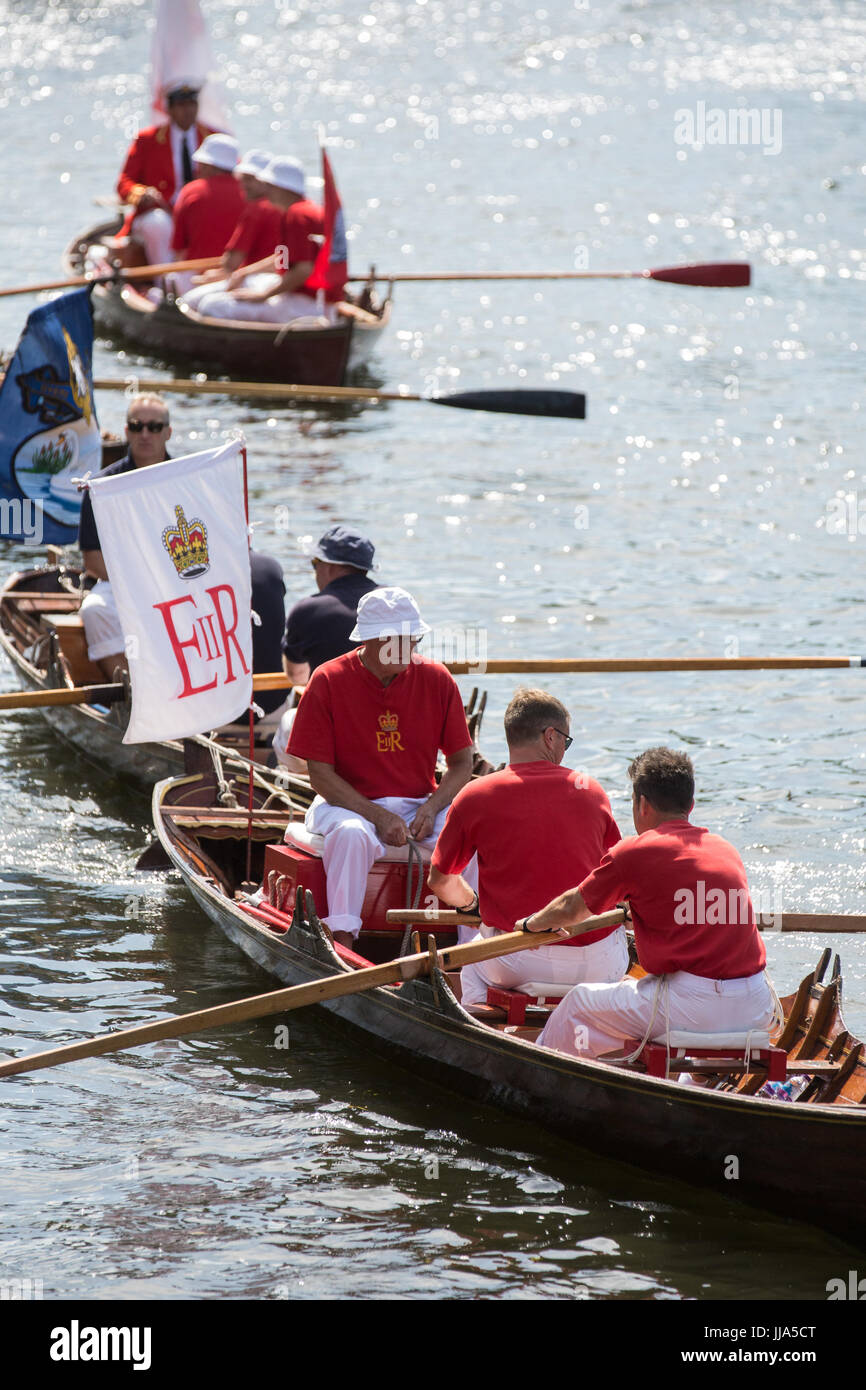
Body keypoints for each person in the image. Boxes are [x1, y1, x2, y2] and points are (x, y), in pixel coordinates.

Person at [525, 747, 775, 1058]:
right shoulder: (725, 850)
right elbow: (693, 913)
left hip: (691, 1006)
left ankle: (544, 1075)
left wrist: (530, 924)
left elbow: (572, 909)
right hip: (756, 1006)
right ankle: (690, 1084)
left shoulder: (634, 851)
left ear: (642, 804)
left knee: (577, 1003)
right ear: (691, 806)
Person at [286, 587, 474, 947]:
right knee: (352, 833)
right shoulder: (327, 680)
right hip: (345, 805)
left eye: (412, 639)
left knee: (472, 836)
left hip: (420, 804)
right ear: (370, 640)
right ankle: (342, 940)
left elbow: (462, 763)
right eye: (397, 640)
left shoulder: (438, 679)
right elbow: (320, 775)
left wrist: (433, 808)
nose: (408, 648)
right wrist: (377, 815)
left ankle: (473, 944)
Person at [428, 688, 627, 1008]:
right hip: (597, 963)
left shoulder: (474, 794)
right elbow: (619, 879)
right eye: (565, 740)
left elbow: (440, 881)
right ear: (550, 736)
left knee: (472, 964)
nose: (565, 748)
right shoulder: (592, 790)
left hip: (515, 959)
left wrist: (470, 905)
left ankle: (483, 1024)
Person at [78, 394, 172, 679]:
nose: (146, 434)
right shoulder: (100, 487)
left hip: (174, 583)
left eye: (154, 427)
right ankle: (135, 691)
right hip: (119, 585)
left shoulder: (187, 480)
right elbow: (92, 560)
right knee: (93, 610)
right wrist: (139, 582)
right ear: (127, 431)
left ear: (167, 432)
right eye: (137, 426)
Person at [185, 156, 343, 323]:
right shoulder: (309, 210)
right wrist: (245, 273)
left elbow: (303, 270)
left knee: (211, 306)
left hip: (303, 304)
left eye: (270, 185)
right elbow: (284, 259)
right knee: (229, 294)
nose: (266, 191)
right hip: (316, 301)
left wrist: (263, 295)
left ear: (283, 188)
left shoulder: (296, 216)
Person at [272, 526, 379, 769]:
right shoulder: (394, 604)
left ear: (329, 567)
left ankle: (300, 789)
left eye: (314, 564)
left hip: (336, 733)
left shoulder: (307, 610)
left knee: (288, 720)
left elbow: (297, 678)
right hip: (393, 727)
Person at [116, 83, 218, 269]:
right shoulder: (147, 140)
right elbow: (124, 183)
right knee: (158, 224)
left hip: (201, 210)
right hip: (162, 211)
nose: (187, 110)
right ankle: (165, 283)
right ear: (169, 109)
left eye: (191, 104)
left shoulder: (214, 138)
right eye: (181, 105)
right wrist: (141, 193)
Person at [180, 149, 281, 304]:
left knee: (188, 301)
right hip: (271, 279)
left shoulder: (256, 210)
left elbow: (230, 264)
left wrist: (232, 273)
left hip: (257, 280)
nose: (242, 185)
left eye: (249, 180)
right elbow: (282, 260)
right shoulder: (285, 208)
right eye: (242, 178)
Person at [168, 134, 244, 293]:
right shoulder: (251, 195)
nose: (198, 169)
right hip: (239, 278)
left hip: (196, 278)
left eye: (200, 164)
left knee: (168, 281)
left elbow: (178, 249)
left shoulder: (190, 191)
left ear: (208, 166)